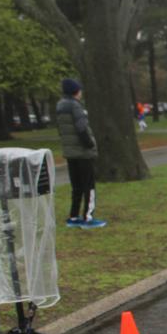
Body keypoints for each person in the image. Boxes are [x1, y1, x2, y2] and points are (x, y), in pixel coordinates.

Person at [56, 78, 106, 228]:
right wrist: (90, 144)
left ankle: (73, 216)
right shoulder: (75, 106)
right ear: (76, 91)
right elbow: (82, 128)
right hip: (83, 153)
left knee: (76, 186)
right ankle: (88, 217)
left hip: (70, 153)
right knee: (89, 185)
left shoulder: (60, 106)